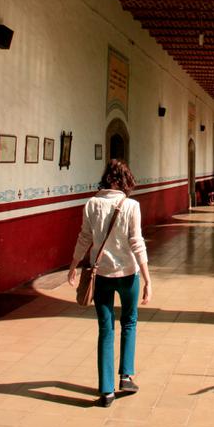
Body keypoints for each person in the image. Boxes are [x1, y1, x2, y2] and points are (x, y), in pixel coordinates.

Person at [67, 159, 152, 406]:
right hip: (127, 274)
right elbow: (137, 242)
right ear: (126, 180)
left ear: (106, 178)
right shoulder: (132, 205)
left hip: (101, 274)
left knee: (105, 329)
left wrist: (73, 265)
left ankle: (106, 390)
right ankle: (126, 375)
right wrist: (147, 278)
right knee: (129, 321)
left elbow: (84, 237)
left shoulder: (92, 204)